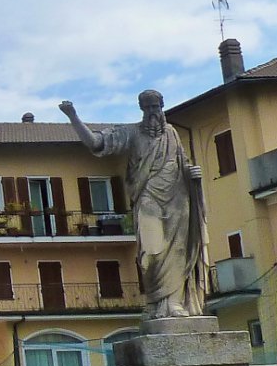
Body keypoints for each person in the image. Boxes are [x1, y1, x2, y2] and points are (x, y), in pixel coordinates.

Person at [59, 92, 208, 319]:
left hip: (177, 200)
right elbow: (96, 143)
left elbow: (182, 162)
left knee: (178, 252)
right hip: (147, 197)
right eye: (147, 108)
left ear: (162, 106)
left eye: (155, 107)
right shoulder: (131, 133)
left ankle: (173, 304)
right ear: (141, 109)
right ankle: (156, 300)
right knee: (151, 251)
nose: (152, 112)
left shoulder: (172, 134)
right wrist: (73, 117)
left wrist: (192, 174)